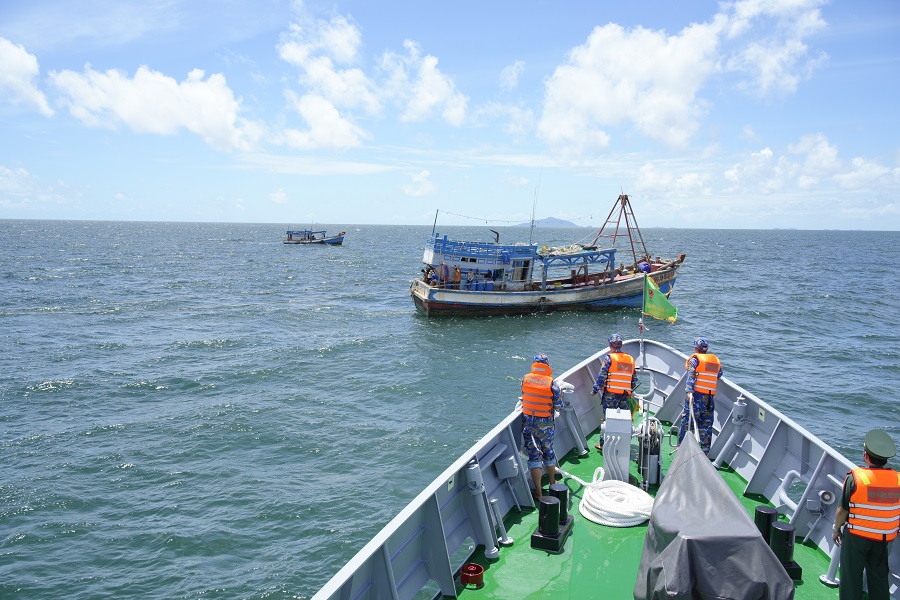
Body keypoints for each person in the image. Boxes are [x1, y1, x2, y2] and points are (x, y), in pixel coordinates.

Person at [832, 429, 899, 600]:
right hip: (884, 538)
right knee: (879, 578)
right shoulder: (897, 479)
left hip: (857, 538)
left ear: (865, 455)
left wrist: (836, 529)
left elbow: (842, 510)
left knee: (851, 578)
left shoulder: (856, 478)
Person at [521, 353, 562, 499]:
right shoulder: (552, 383)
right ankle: (552, 482)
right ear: (547, 365)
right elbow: (558, 405)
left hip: (529, 425)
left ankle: (538, 492)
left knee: (534, 457)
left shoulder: (525, 379)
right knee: (548, 453)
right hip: (546, 425)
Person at [590, 333, 636, 451]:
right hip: (625, 396)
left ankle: (603, 444)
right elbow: (634, 379)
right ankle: (623, 444)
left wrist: (594, 390)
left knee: (608, 419)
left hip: (610, 395)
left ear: (610, 345)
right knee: (624, 419)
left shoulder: (609, 358)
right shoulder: (630, 359)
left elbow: (602, 377)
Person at [677, 337, 722, 455]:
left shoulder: (695, 360)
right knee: (706, 425)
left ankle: (681, 447)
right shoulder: (715, 360)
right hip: (709, 399)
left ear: (696, 348)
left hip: (695, 397)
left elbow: (691, 375)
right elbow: (719, 374)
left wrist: (689, 392)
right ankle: (705, 451)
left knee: (687, 421)